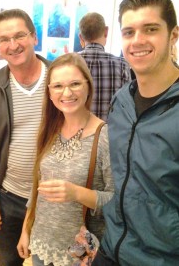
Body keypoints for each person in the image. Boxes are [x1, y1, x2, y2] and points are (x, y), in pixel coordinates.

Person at [92, 0, 179, 266]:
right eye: (129, 32)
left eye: (150, 29)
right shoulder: (121, 101)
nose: (137, 41)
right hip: (112, 248)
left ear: (173, 35)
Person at [16, 53, 114, 266]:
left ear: (88, 86)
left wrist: (77, 193)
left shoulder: (105, 136)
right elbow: (37, 189)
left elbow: (116, 201)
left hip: (81, 251)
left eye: (75, 84)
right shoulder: (48, 130)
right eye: (58, 86)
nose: (67, 93)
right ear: (49, 92)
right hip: (42, 244)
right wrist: (26, 230)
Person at [0, 8, 50, 266]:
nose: (13, 45)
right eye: (4, 39)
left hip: (52, 197)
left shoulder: (58, 79)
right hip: (10, 196)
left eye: (19, 35)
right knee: (8, 262)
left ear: (34, 37)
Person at [78, 12, 131, 121]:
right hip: (110, 133)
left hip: (77, 134)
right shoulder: (122, 65)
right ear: (106, 31)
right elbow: (128, 106)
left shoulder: (68, 64)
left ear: (81, 37)